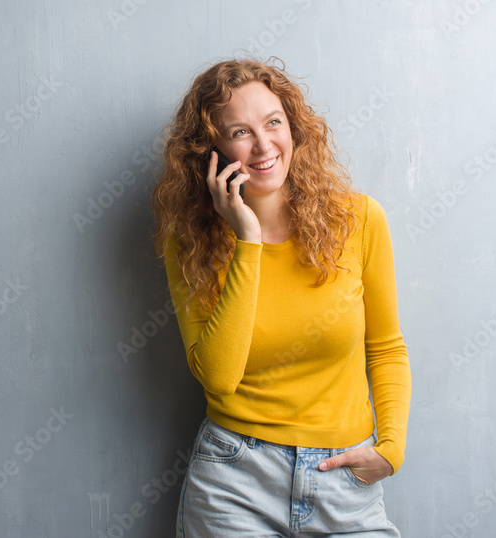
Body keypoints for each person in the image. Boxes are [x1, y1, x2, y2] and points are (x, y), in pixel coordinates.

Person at [150, 57, 411, 536]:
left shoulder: (359, 220)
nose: (264, 144)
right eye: (239, 132)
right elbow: (219, 378)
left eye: (273, 123)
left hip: (344, 477)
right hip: (235, 479)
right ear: (212, 150)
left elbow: (387, 348)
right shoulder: (188, 245)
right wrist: (247, 240)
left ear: (293, 127)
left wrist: (390, 448)